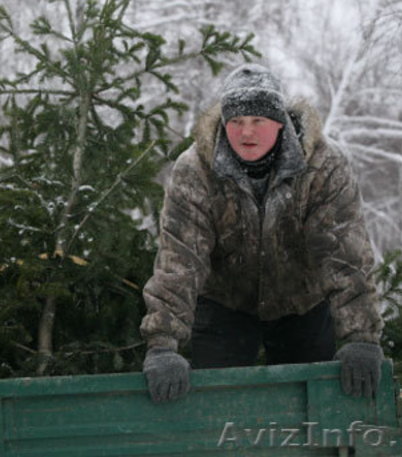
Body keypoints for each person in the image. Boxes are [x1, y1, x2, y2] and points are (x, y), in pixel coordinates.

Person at [140, 64, 384, 403]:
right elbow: (179, 259)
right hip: (225, 301)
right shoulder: (195, 170)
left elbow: (344, 253)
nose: (246, 132)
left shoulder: (323, 166)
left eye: (258, 121)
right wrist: (163, 344)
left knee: (310, 407)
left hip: (302, 302)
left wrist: (361, 337)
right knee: (215, 406)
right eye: (236, 122)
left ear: (280, 123)